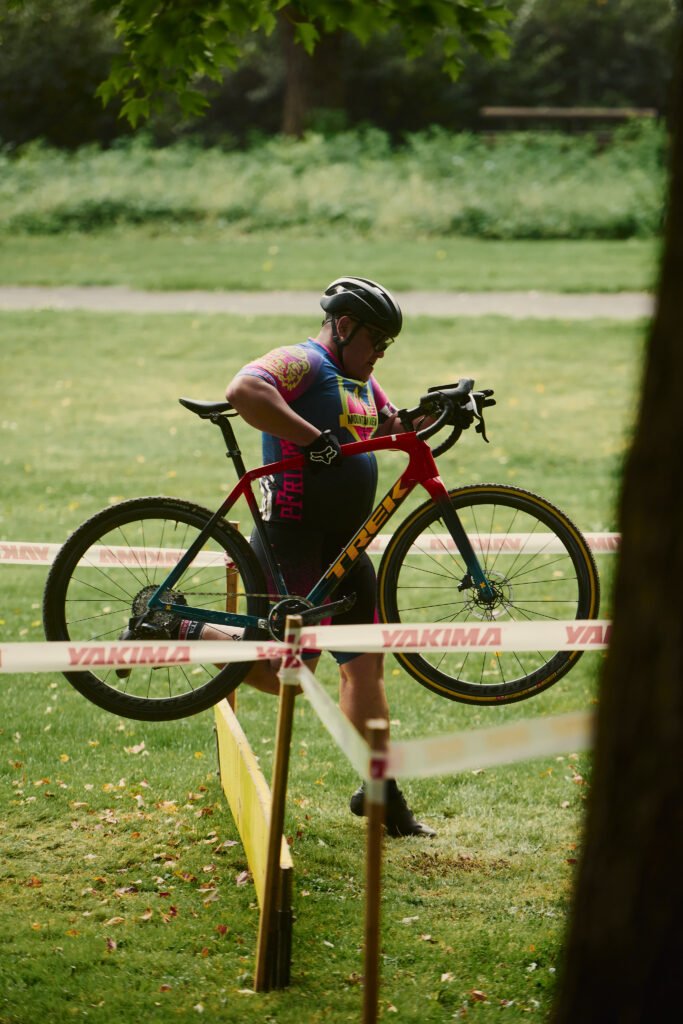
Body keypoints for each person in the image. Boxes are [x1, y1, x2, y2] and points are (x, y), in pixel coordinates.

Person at [212, 276, 435, 838]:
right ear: (343, 326)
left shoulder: (362, 380)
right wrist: (312, 439)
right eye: (376, 339)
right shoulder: (304, 361)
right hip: (295, 536)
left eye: (388, 342)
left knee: (366, 666)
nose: (382, 351)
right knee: (285, 674)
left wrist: (438, 410)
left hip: (345, 544)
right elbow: (244, 390)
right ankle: (179, 629)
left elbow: (392, 429)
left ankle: (382, 795)